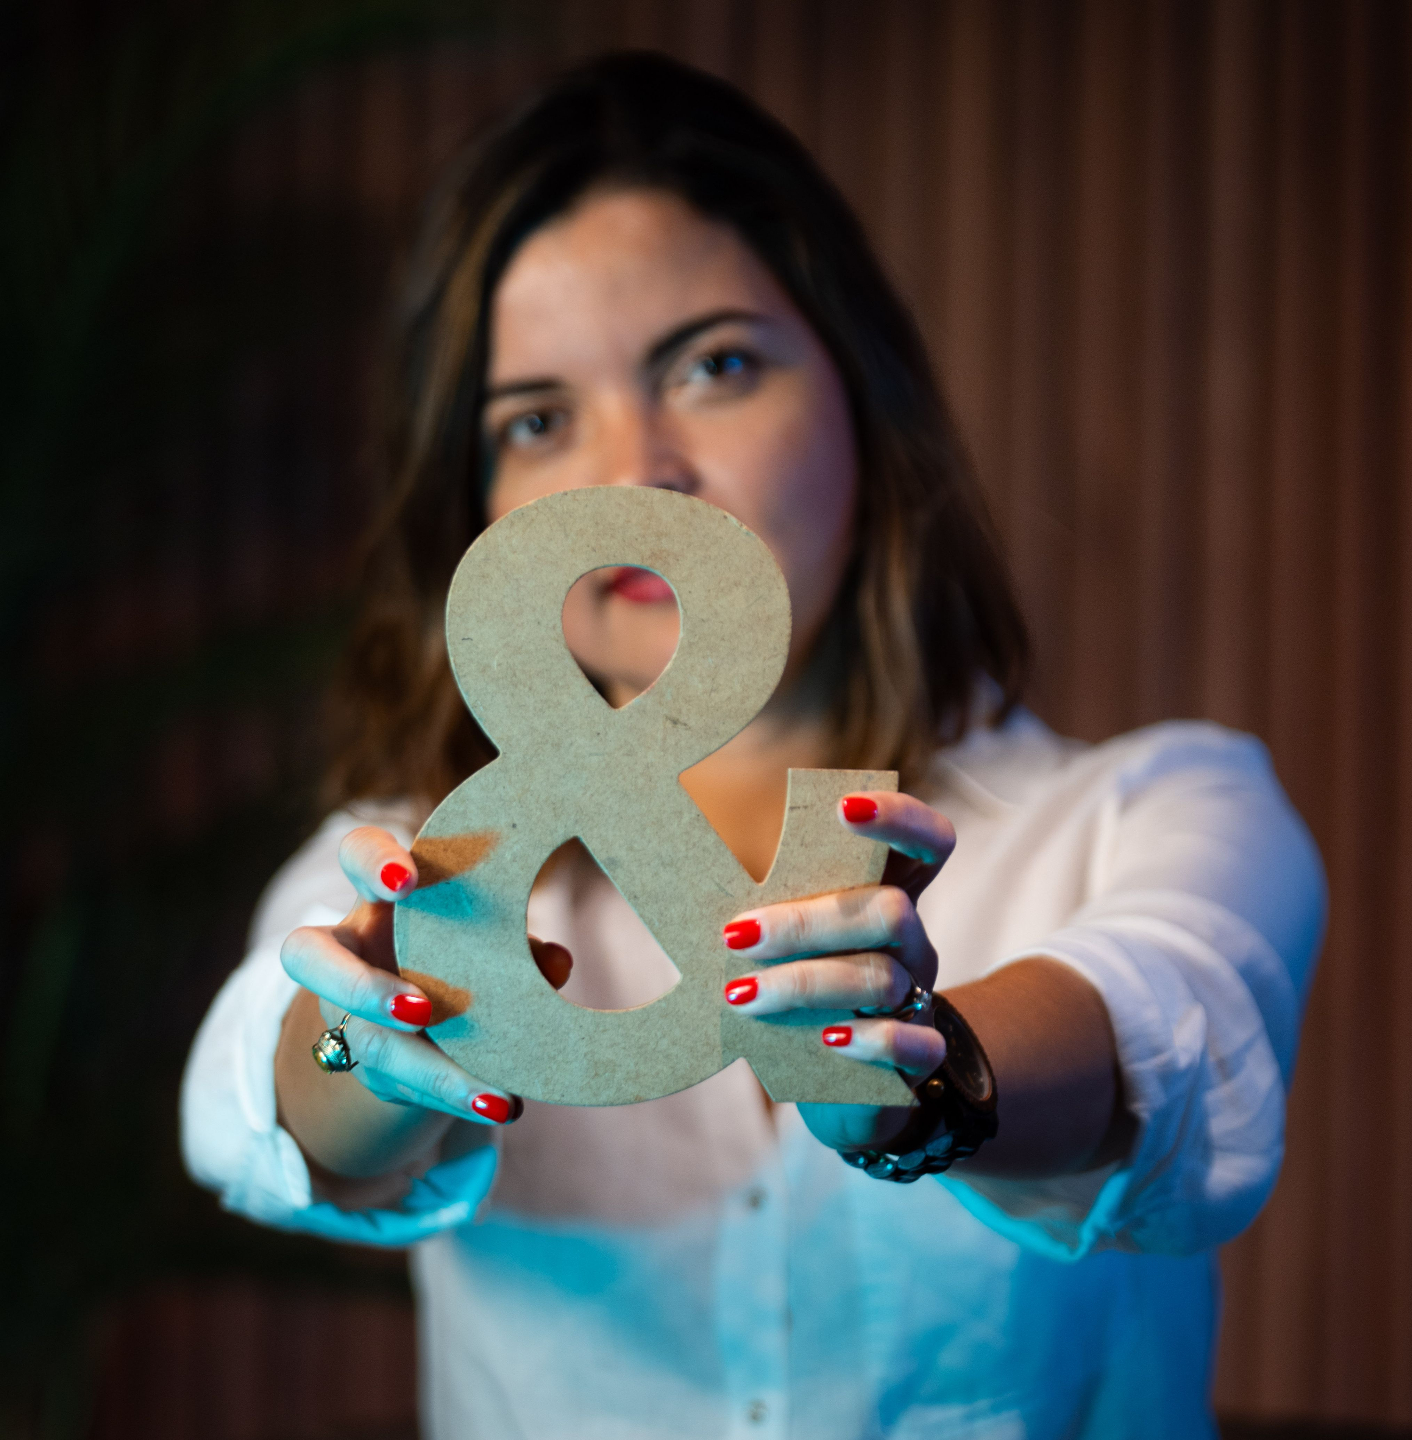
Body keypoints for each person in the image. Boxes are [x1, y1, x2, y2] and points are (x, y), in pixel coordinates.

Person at [181, 52, 1325, 1440]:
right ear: (476, 505)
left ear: (863, 398)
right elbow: (253, 1111)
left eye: (715, 366)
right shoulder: (412, 869)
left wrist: (933, 1075)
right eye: (537, 420)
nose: (636, 472)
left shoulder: (1166, 807)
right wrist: (365, 1045)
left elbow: (1176, 1020)